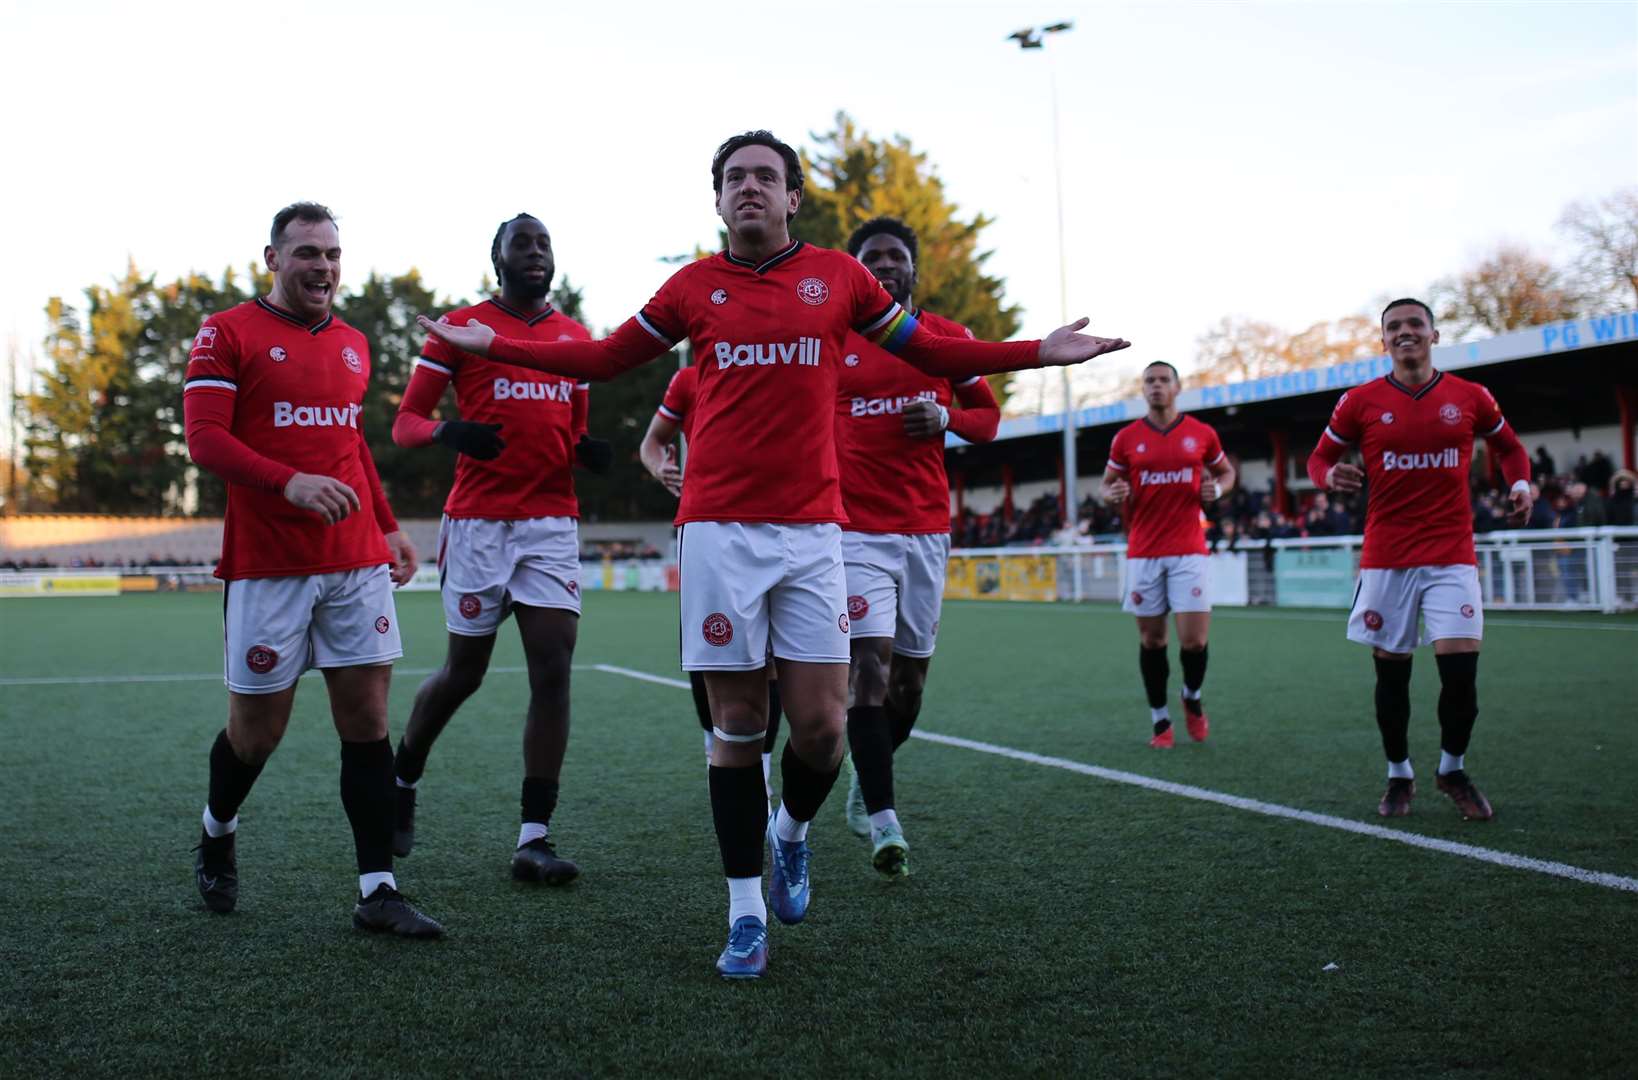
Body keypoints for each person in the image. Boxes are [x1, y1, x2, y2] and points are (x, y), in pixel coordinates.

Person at [418, 130, 1129, 979]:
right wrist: (493, 346)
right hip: (719, 531)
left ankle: (791, 831)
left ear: (794, 197)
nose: (749, 188)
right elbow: (605, 357)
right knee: (739, 728)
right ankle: (744, 913)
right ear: (716, 200)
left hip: (815, 532)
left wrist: (1033, 354)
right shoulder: (691, 288)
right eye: (734, 178)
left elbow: (931, 351)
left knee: (825, 728)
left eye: (765, 177)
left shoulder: (841, 278)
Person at [182, 202, 441, 936]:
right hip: (269, 567)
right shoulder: (226, 332)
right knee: (256, 734)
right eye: (306, 254)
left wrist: (388, 527)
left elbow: (350, 447)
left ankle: (378, 890)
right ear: (272, 258)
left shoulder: (356, 343)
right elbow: (204, 439)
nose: (322, 267)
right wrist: (286, 482)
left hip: (355, 562)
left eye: (331, 254)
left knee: (366, 721)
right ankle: (218, 830)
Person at [389, 213, 611, 885]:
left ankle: (534, 838)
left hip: (549, 524)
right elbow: (404, 425)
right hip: (480, 524)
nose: (536, 252)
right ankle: (403, 775)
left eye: (544, 242)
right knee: (466, 674)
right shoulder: (461, 328)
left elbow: (569, 429)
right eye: (523, 243)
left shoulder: (576, 340)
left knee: (553, 669)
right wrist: (449, 433)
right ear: (499, 259)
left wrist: (583, 452)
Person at [1308, 298, 1530, 820]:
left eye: (1414, 324)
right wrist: (1326, 477)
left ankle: (1451, 768)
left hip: (1452, 554)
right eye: (1393, 327)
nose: (1405, 332)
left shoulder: (1470, 397)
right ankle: (1399, 773)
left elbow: (1511, 448)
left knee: (1461, 676)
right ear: (1382, 341)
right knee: (1393, 676)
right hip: (1387, 558)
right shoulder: (1359, 402)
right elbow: (1320, 458)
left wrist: (1519, 482)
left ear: (1433, 333)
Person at [831, 216, 1000, 878]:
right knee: (866, 673)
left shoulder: (945, 340)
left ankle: (864, 779)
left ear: (914, 269)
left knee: (909, 685)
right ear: (856, 273)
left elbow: (988, 419)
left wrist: (948, 419)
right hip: (854, 533)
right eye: (870, 258)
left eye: (894, 256)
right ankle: (882, 819)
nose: (883, 266)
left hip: (926, 531)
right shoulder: (834, 340)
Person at [639, 361, 784, 796]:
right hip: (710, 527)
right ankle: (714, 737)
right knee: (711, 652)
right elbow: (652, 442)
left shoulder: (784, 362)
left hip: (781, 522)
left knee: (771, 660)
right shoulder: (689, 378)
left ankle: (760, 770)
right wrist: (657, 467)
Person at [1100, 361, 1236, 747]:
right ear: (1142, 390)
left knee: (1193, 641)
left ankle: (1191, 696)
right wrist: (1112, 494)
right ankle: (1160, 719)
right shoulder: (1126, 439)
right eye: (1149, 381)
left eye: (1163, 380)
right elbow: (1107, 486)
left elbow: (1226, 473)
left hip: (1189, 551)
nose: (1156, 386)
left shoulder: (1201, 434)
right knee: (1153, 641)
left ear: (1178, 388)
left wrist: (1219, 491)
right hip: (1143, 552)